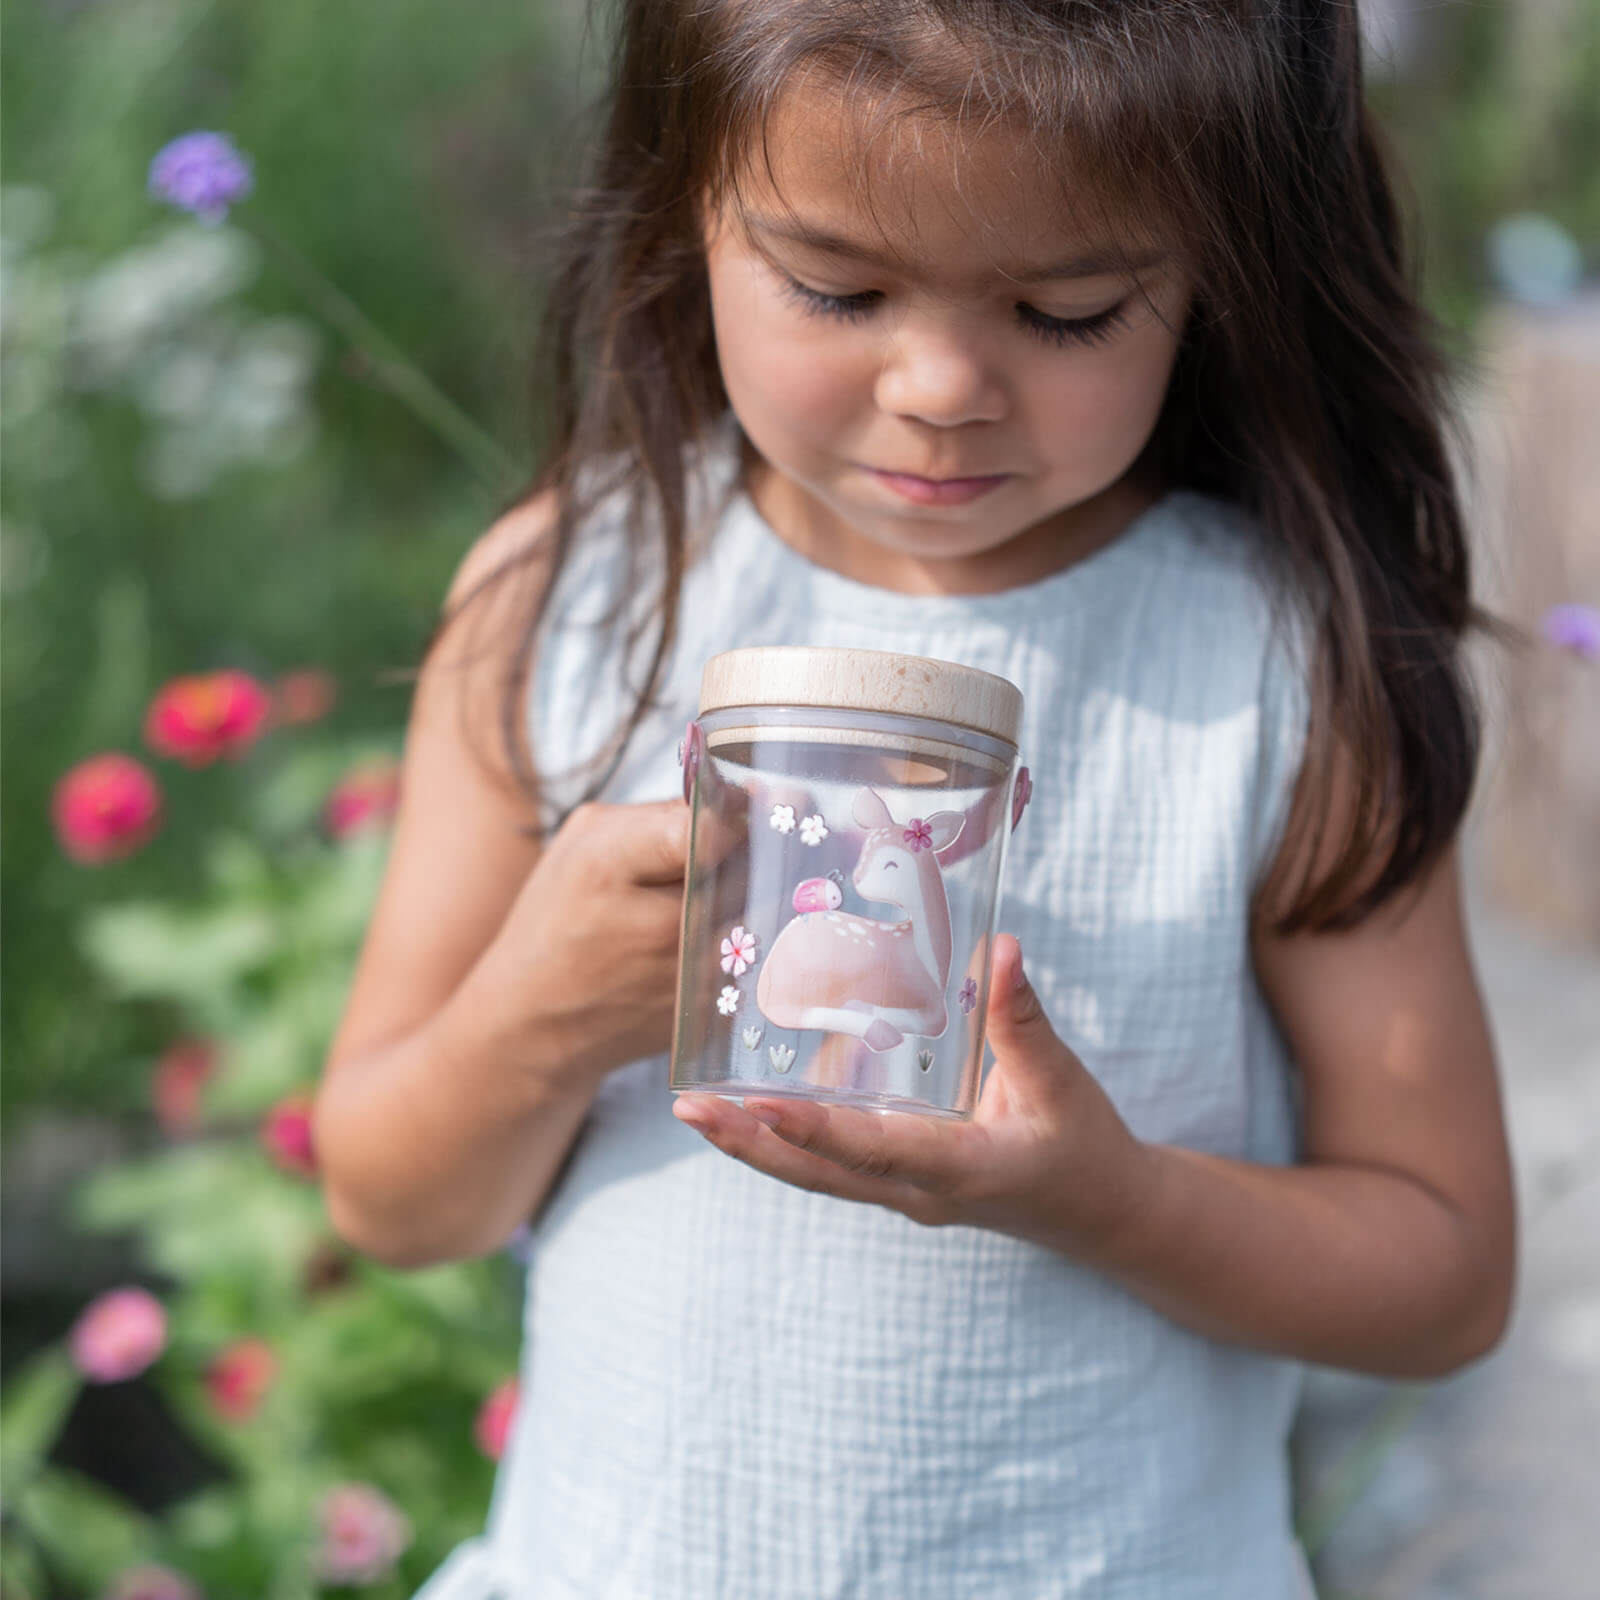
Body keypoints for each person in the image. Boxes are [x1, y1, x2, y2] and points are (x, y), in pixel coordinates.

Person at [312, 2, 1516, 1594]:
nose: (944, 383)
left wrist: (1118, 1200)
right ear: (691, 208)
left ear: (1217, 270)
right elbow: (390, 1198)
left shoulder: (1270, 668)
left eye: (1070, 307)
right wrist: (543, 1009)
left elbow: (1443, 1272)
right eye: (837, 286)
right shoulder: (573, 601)